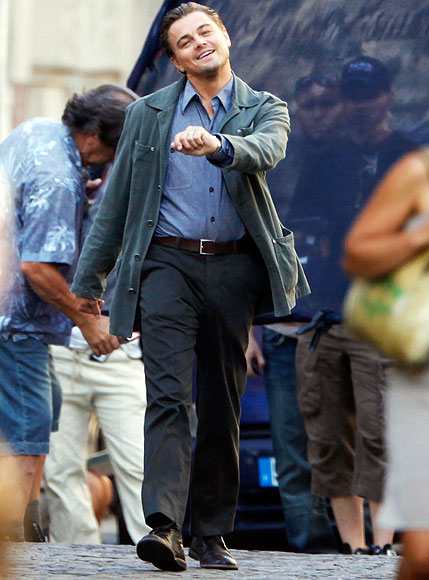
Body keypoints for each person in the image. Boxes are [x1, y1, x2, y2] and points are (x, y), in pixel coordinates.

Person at [70, 2, 309, 572]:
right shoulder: (148, 113)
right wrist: (90, 280)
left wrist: (219, 146)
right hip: (166, 265)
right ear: (176, 61)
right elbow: (118, 199)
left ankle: (211, 533)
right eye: (185, 40)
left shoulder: (264, 107)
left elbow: (267, 150)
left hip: (234, 269)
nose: (199, 42)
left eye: (206, 31)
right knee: (169, 395)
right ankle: (165, 526)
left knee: (222, 402)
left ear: (223, 38)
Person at [291, 56, 415, 555]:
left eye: (369, 94)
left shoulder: (410, 155)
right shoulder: (326, 159)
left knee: (381, 430)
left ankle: (383, 543)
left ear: (388, 97)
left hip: (386, 316)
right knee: (326, 432)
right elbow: (298, 227)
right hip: (324, 314)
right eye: (353, 95)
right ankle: (353, 547)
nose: (361, 105)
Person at [0, 87, 129, 542]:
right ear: (93, 137)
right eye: (117, 149)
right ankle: (15, 537)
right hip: (15, 324)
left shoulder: (38, 131)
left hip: (13, 318)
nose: (116, 161)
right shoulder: (59, 180)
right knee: (28, 428)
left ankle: (26, 526)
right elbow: (36, 267)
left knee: (45, 406)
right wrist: (88, 321)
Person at [43, 83, 150, 546]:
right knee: (60, 469)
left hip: (120, 349)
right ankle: (77, 561)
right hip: (62, 345)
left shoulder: (145, 183)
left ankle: (159, 546)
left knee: (139, 463)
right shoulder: (71, 179)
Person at [245, 75, 344, 553]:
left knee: (347, 440)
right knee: (290, 445)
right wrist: (250, 328)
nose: (318, 113)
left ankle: (361, 544)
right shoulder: (280, 162)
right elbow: (250, 245)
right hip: (282, 328)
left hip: (342, 327)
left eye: (326, 103)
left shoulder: (355, 160)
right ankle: (310, 545)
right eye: (309, 105)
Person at [344, 148, 429, 579]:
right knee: (425, 551)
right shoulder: (422, 172)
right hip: (425, 370)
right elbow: (356, 254)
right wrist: (422, 235)